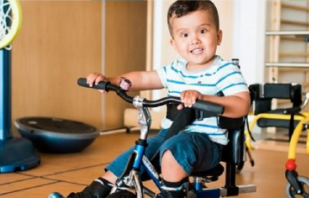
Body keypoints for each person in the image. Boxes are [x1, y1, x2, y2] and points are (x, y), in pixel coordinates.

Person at [67, 1, 250, 198]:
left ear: (219, 36)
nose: (195, 40)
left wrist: (203, 98)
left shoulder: (224, 70)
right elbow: (144, 78)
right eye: (185, 35)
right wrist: (110, 80)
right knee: (134, 156)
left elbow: (242, 104)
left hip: (206, 142)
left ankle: (171, 194)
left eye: (203, 31)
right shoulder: (174, 69)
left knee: (174, 150)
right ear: (174, 43)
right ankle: (91, 194)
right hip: (169, 134)